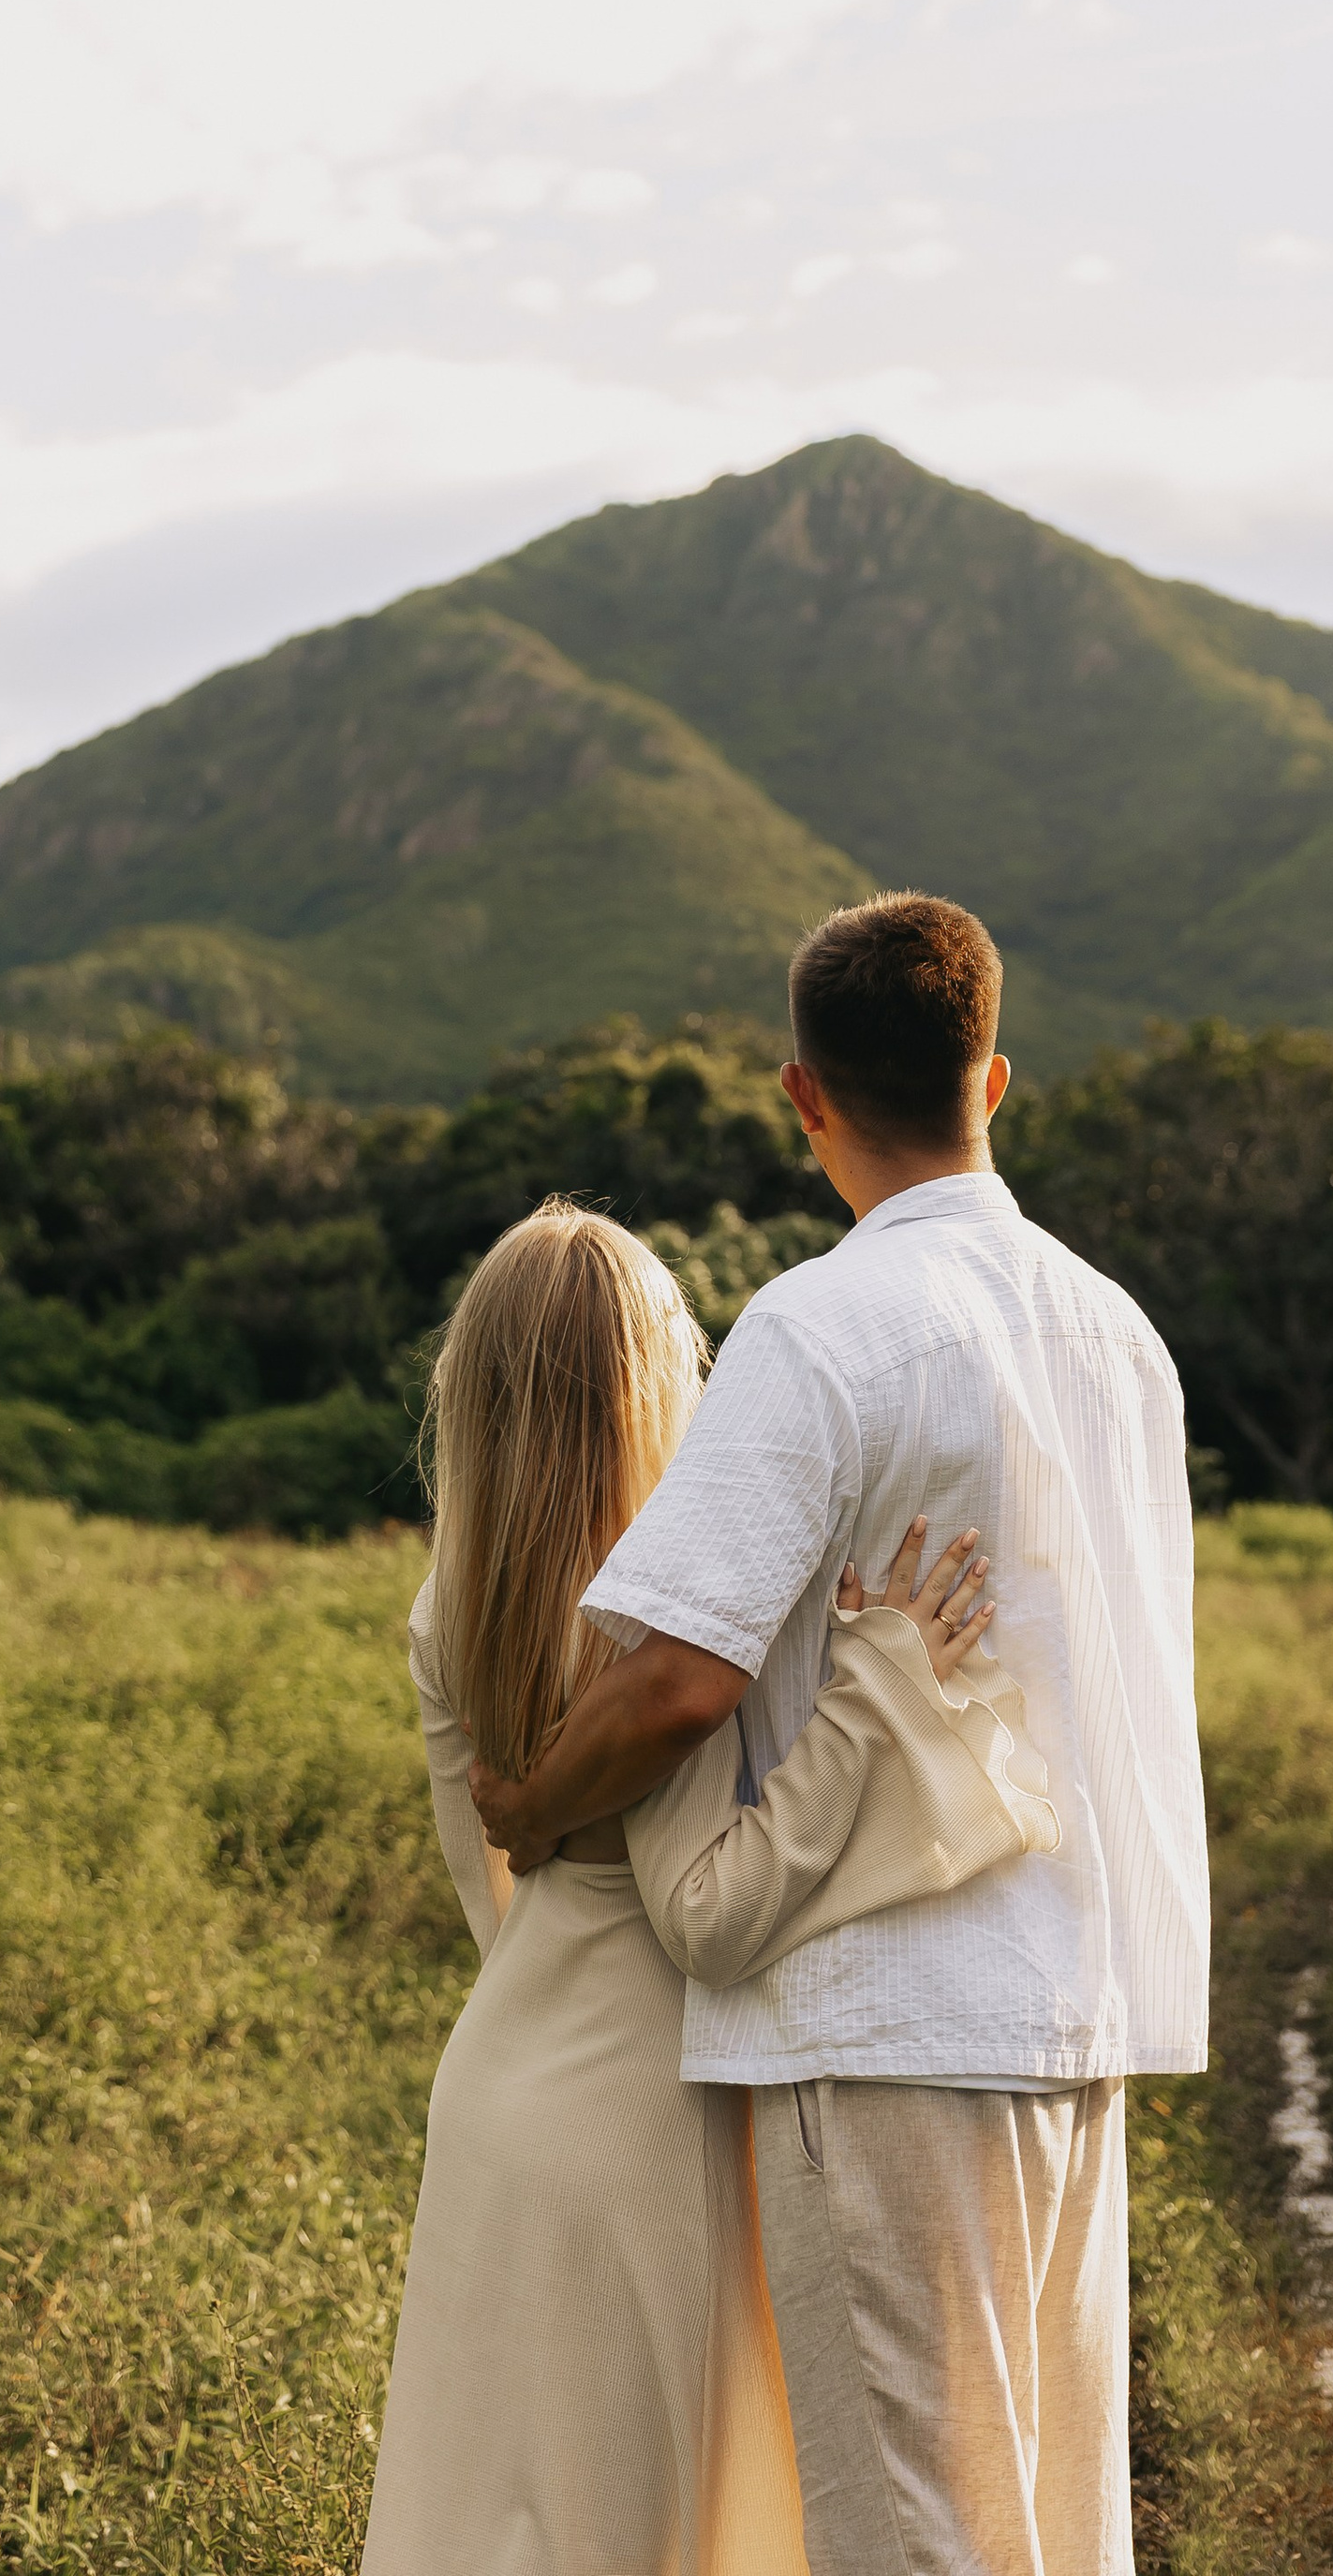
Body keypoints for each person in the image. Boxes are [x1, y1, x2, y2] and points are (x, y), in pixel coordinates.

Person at [469, 895, 1211, 2576]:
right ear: (995, 1077)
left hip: (883, 2013)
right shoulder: (1126, 1340)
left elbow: (670, 1675)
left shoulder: (820, 1325)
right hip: (1079, 2006)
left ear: (802, 1096)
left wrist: (528, 1801)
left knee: (914, 2532)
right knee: (1053, 2522)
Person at [363, 1198, 1061, 2576]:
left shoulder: (449, 1610)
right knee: (665, 2521)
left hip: (500, 2092)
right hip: (661, 2108)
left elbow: (488, 1889)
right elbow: (721, 1910)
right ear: (654, 1376)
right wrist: (882, 1690)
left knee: (501, 2520)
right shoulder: (672, 1612)